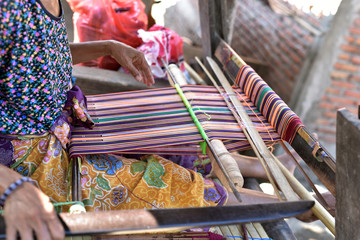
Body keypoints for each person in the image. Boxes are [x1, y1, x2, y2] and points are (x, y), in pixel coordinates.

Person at [0, 1, 283, 239]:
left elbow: (40, 55)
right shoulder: (9, 8)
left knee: (165, 140)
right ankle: (290, 205)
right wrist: (13, 188)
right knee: (161, 181)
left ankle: (265, 170)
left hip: (64, 127)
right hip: (29, 160)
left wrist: (108, 46)